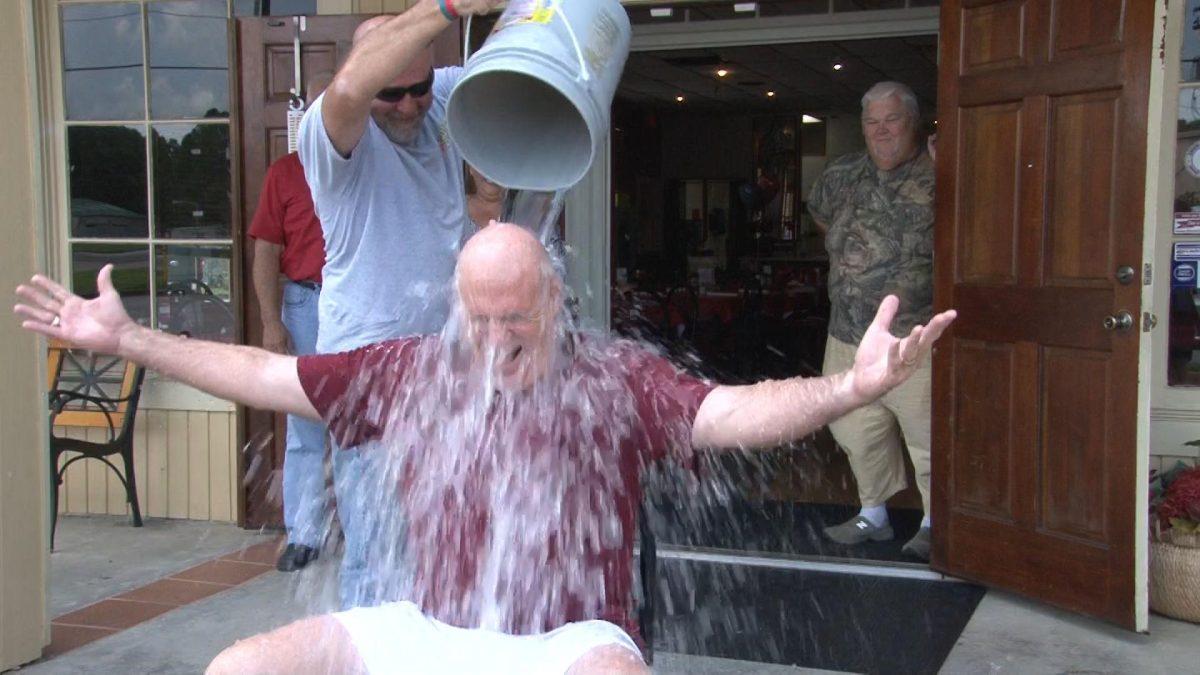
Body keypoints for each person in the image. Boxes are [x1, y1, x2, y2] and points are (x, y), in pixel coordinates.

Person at [14, 223, 955, 674]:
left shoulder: (614, 378)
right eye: (483, 318)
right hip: (433, 630)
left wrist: (853, 389)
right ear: (457, 307)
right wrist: (131, 340)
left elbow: (730, 412)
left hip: (571, 641)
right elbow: (269, 378)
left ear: (556, 303)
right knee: (243, 668)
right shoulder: (412, 369)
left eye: (521, 319)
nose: (500, 340)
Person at [297, 0, 502, 606]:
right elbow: (353, 86)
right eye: (393, 95)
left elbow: (517, 67)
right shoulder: (332, 135)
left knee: (450, 544)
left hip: (445, 368)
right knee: (378, 553)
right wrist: (447, 7)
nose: (411, 105)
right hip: (365, 374)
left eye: (419, 89)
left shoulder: (438, 95)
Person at [807, 81, 936, 560]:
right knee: (854, 427)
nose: (881, 131)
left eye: (892, 121)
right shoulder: (842, 174)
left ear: (913, 123)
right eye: (872, 122)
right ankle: (874, 514)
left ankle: (934, 522)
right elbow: (819, 214)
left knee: (927, 434)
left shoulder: (940, 172)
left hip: (915, 336)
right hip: (848, 331)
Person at [249, 72, 333, 572]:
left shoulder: (366, 165)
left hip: (358, 304)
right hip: (305, 305)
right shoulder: (285, 172)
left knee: (363, 426)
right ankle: (303, 533)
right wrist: (269, 322)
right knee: (305, 425)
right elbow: (266, 252)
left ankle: (365, 532)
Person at [466, 163, 504, 231]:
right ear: (471, 168)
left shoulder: (519, 211)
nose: (491, 173)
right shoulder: (452, 209)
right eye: (484, 164)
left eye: (498, 165)